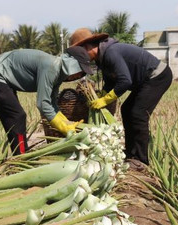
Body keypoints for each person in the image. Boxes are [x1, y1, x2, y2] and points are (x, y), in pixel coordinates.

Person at [69, 28, 172, 169]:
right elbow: (111, 81)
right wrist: (101, 94)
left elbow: (125, 81)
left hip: (157, 76)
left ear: (87, 47)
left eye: (80, 53)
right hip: (143, 81)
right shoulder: (102, 58)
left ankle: (141, 160)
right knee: (126, 109)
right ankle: (131, 154)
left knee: (138, 113)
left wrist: (105, 100)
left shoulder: (111, 53)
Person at [0, 46, 94, 154]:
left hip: (2, 77)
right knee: (17, 116)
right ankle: (21, 155)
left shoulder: (58, 75)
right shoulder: (52, 67)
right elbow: (42, 103)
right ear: (71, 64)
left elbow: (52, 103)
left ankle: (19, 152)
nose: (80, 75)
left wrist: (66, 122)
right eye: (80, 70)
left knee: (13, 119)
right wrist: (63, 127)